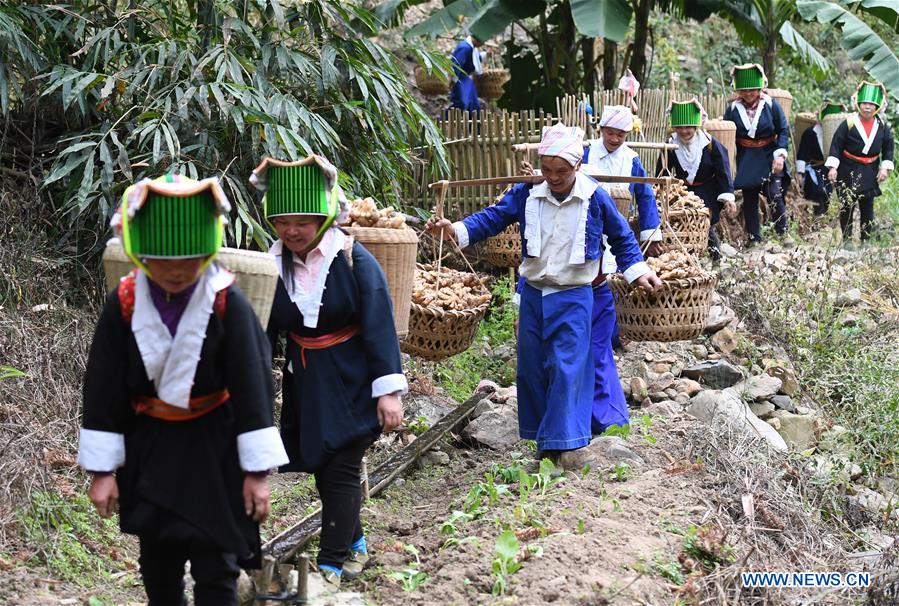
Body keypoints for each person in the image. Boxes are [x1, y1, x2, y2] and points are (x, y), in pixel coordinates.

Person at [79, 174, 288, 606]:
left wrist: (256, 474)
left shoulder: (227, 302)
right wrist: (102, 472)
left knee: (217, 572)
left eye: (188, 260)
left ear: (207, 251)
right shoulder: (124, 303)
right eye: (162, 261)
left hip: (216, 451)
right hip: (150, 448)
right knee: (158, 569)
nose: (176, 271)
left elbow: (253, 387)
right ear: (140, 254)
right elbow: (103, 388)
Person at [426, 123, 662, 466]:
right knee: (532, 368)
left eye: (561, 171)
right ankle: (543, 436)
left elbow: (621, 237)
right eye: (548, 170)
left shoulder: (594, 196)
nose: (553, 177)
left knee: (567, 367)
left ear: (577, 166)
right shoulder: (528, 193)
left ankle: (561, 444)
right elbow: (494, 218)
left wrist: (639, 272)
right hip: (535, 294)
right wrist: (456, 230)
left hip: (574, 295)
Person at [250, 156, 406, 591]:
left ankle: (331, 565)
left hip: (353, 378)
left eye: (304, 221)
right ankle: (353, 540)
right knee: (321, 463)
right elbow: (264, 335)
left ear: (323, 217)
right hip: (306, 380)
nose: (293, 231)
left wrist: (389, 392)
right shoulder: (272, 265)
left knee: (340, 464)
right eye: (283, 221)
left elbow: (379, 326)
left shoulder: (353, 260)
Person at [656, 98, 736, 260]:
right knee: (685, 225)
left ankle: (716, 258)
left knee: (705, 225)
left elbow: (723, 171)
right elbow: (662, 172)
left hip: (708, 190)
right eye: (680, 128)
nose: (684, 131)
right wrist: (661, 192)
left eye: (688, 127)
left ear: (696, 126)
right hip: (684, 192)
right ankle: (689, 259)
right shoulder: (670, 146)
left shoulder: (710, 144)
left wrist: (727, 196)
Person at [723, 64, 792, 246]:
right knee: (750, 197)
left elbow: (783, 130)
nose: (748, 93)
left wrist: (780, 156)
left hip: (768, 155)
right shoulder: (732, 110)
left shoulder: (770, 105)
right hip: (746, 157)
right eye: (744, 90)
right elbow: (727, 135)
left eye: (752, 89)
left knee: (774, 194)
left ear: (760, 87)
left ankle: (783, 233)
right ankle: (754, 238)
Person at [826, 81, 894, 243]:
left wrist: (885, 168)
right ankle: (847, 241)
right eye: (864, 103)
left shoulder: (883, 126)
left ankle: (865, 241)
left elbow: (888, 149)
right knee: (846, 206)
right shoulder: (848, 123)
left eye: (871, 104)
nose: (867, 107)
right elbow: (836, 145)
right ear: (857, 103)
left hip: (870, 169)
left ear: (878, 106)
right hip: (847, 168)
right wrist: (833, 168)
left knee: (867, 207)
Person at [797, 101, 846, 216]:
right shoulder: (810, 133)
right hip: (814, 168)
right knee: (818, 192)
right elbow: (802, 154)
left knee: (827, 194)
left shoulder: (839, 133)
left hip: (830, 168)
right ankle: (818, 219)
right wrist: (800, 172)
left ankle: (824, 219)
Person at [449, 34, 485, 112]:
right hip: (461, 78)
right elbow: (457, 64)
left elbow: (474, 60)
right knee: (461, 103)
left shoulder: (471, 47)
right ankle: (445, 121)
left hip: (467, 79)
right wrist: (453, 80)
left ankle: (474, 124)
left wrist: (485, 55)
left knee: (474, 106)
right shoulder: (465, 47)